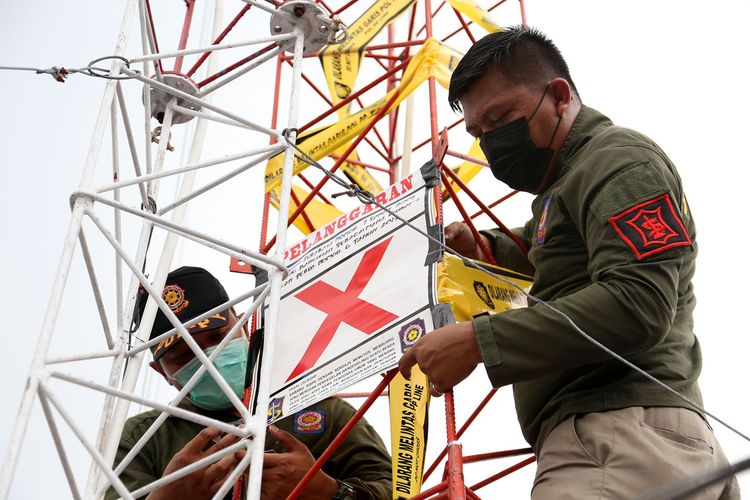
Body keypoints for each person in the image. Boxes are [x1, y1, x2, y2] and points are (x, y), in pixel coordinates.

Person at [398, 27, 740, 498]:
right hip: (630, 443)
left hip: (617, 439)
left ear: (559, 96)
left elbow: (639, 302)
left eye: (501, 118)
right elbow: (558, 248)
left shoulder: (617, 160)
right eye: (479, 132)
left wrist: (478, 341)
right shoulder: (567, 184)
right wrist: (487, 248)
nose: (492, 143)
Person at [106, 266, 391, 500]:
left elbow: (400, 488)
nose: (209, 358)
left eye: (217, 338)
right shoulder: (141, 439)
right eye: (185, 355)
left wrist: (331, 493)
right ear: (162, 372)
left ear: (244, 325)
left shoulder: (322, 409)